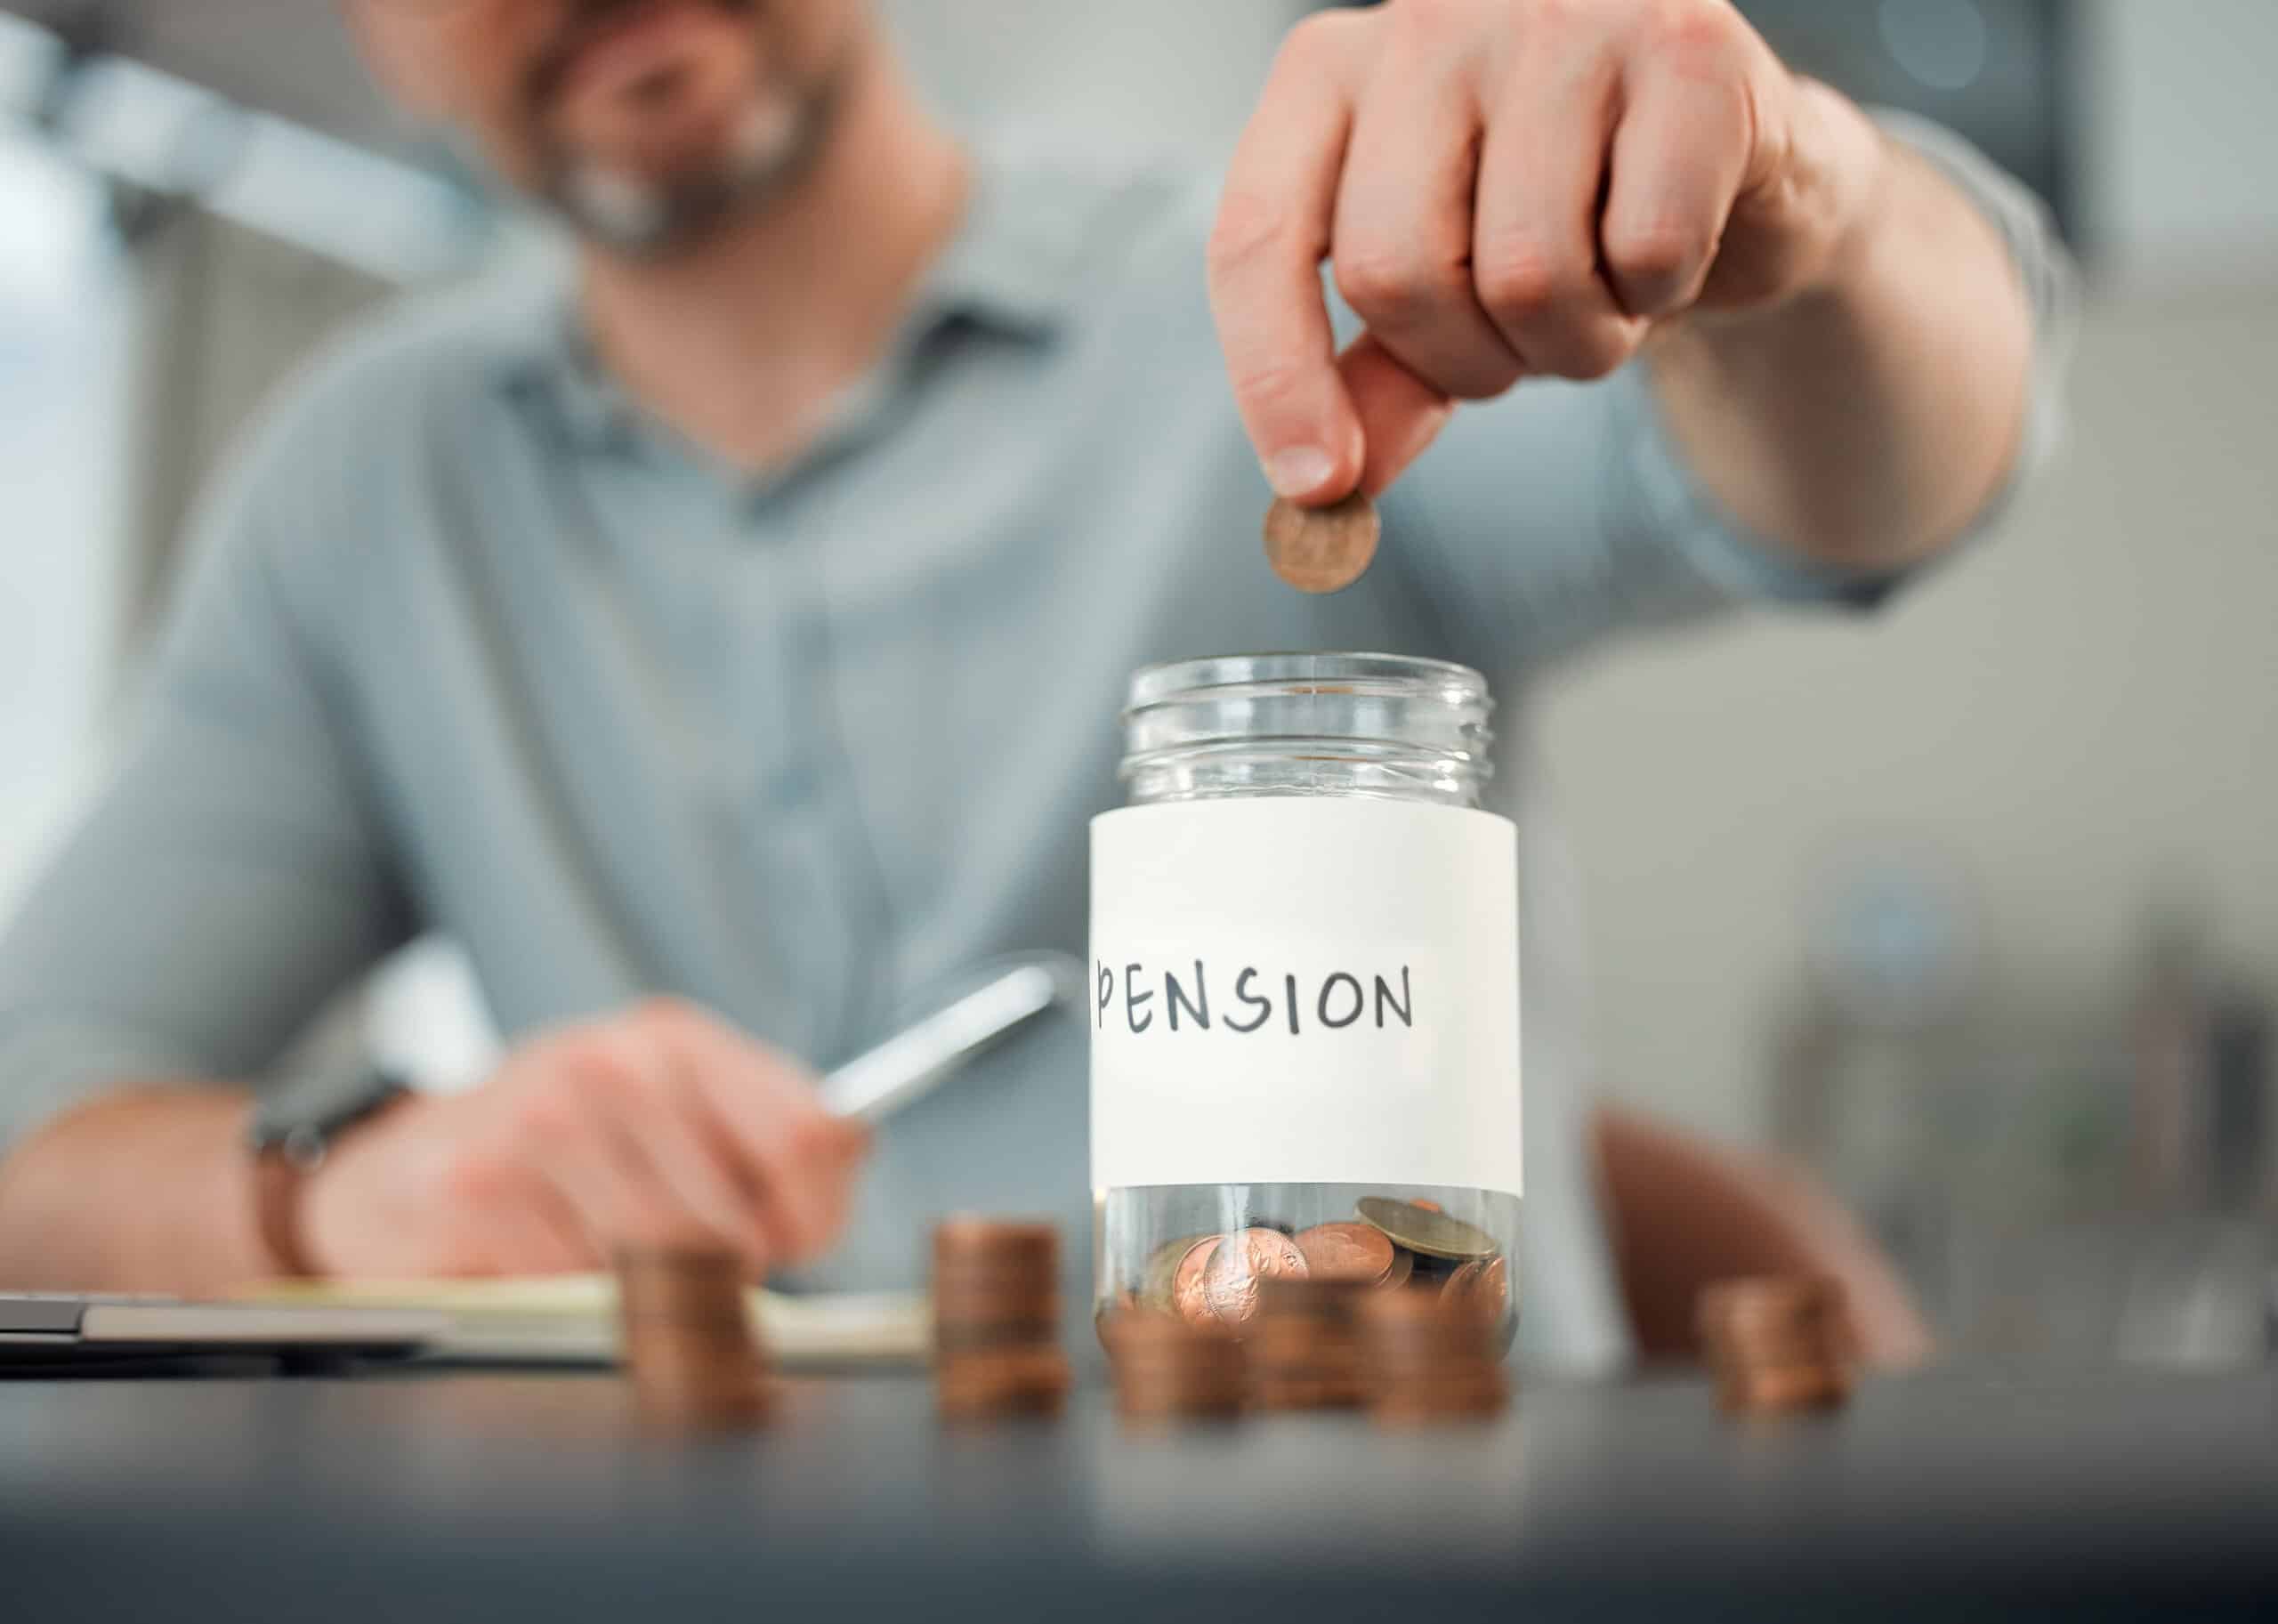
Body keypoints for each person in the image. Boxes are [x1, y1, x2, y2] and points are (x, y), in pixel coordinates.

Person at [0, 0, 2068, 1369]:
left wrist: (1803, 209)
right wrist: (334, 1196)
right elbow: (28, 1125)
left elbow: (1873, 493)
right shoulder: (367, 482)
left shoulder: (1320, 294)